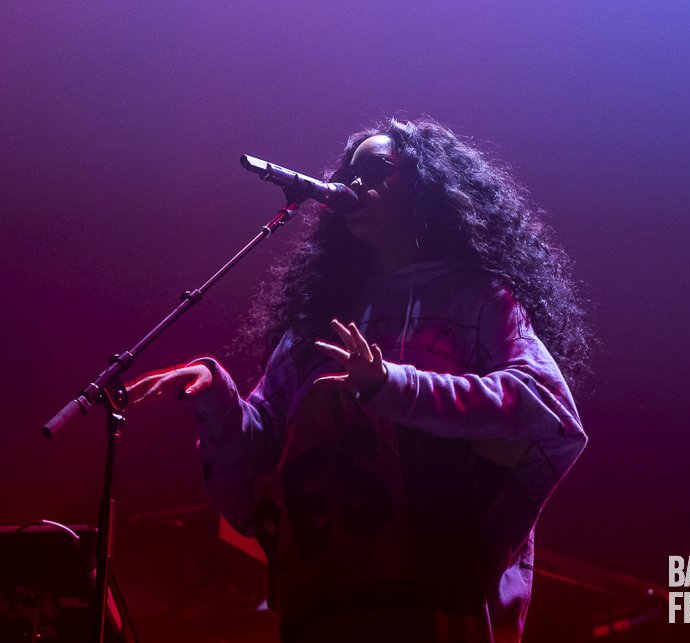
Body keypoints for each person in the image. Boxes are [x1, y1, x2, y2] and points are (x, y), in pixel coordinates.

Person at [127, 117, 590, 642]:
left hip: (436, 607)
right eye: (348, 172)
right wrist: (215, 393)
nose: (352, 183)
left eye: (375, 170)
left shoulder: (477, 299)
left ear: (426, 187)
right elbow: (261, 454)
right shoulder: (320, 317)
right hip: (326, 610)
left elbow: (546, 407)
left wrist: (391, 386)